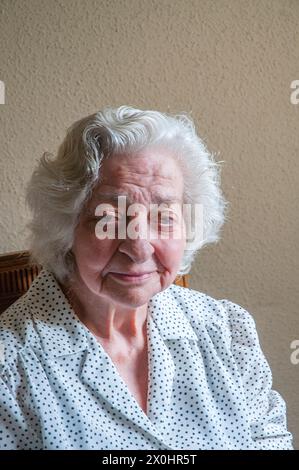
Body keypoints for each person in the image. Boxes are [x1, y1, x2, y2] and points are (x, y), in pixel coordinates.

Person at [0, 106, 293, 450]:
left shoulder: (227, 332)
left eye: (165, 216)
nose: (138, 248)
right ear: (65, 227)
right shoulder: (10, 369)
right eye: (108, 218)